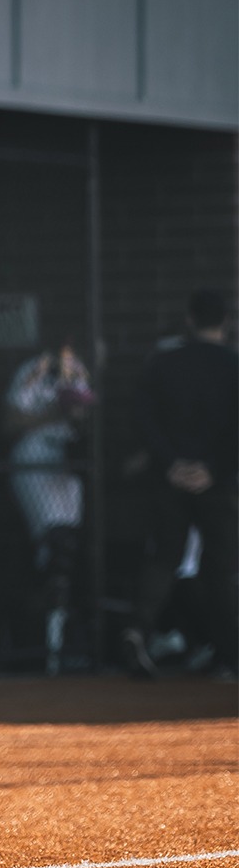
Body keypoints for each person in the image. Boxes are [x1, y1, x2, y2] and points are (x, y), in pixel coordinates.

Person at [126, 291, 237, 679]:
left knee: (164, 556)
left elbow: (143, 418)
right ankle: (230, 652)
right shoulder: (233, 365)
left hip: (168, 479)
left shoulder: (163, 363)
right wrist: (214, 470)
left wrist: (171, 463)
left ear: (190, 319)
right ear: (226, 321)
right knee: (222, 567)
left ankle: (138, 629)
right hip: (218, 484)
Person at [4, 334, 94, 673]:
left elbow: (86, 420)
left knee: (66, 548)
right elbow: (9, 422)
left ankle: (59, 641)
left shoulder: (79, 372)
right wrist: (52, 413)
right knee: (52, 544)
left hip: (65, 464)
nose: (66, 358)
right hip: (33, 459)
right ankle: (42, 645)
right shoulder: (32, 371)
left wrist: (75, 412)